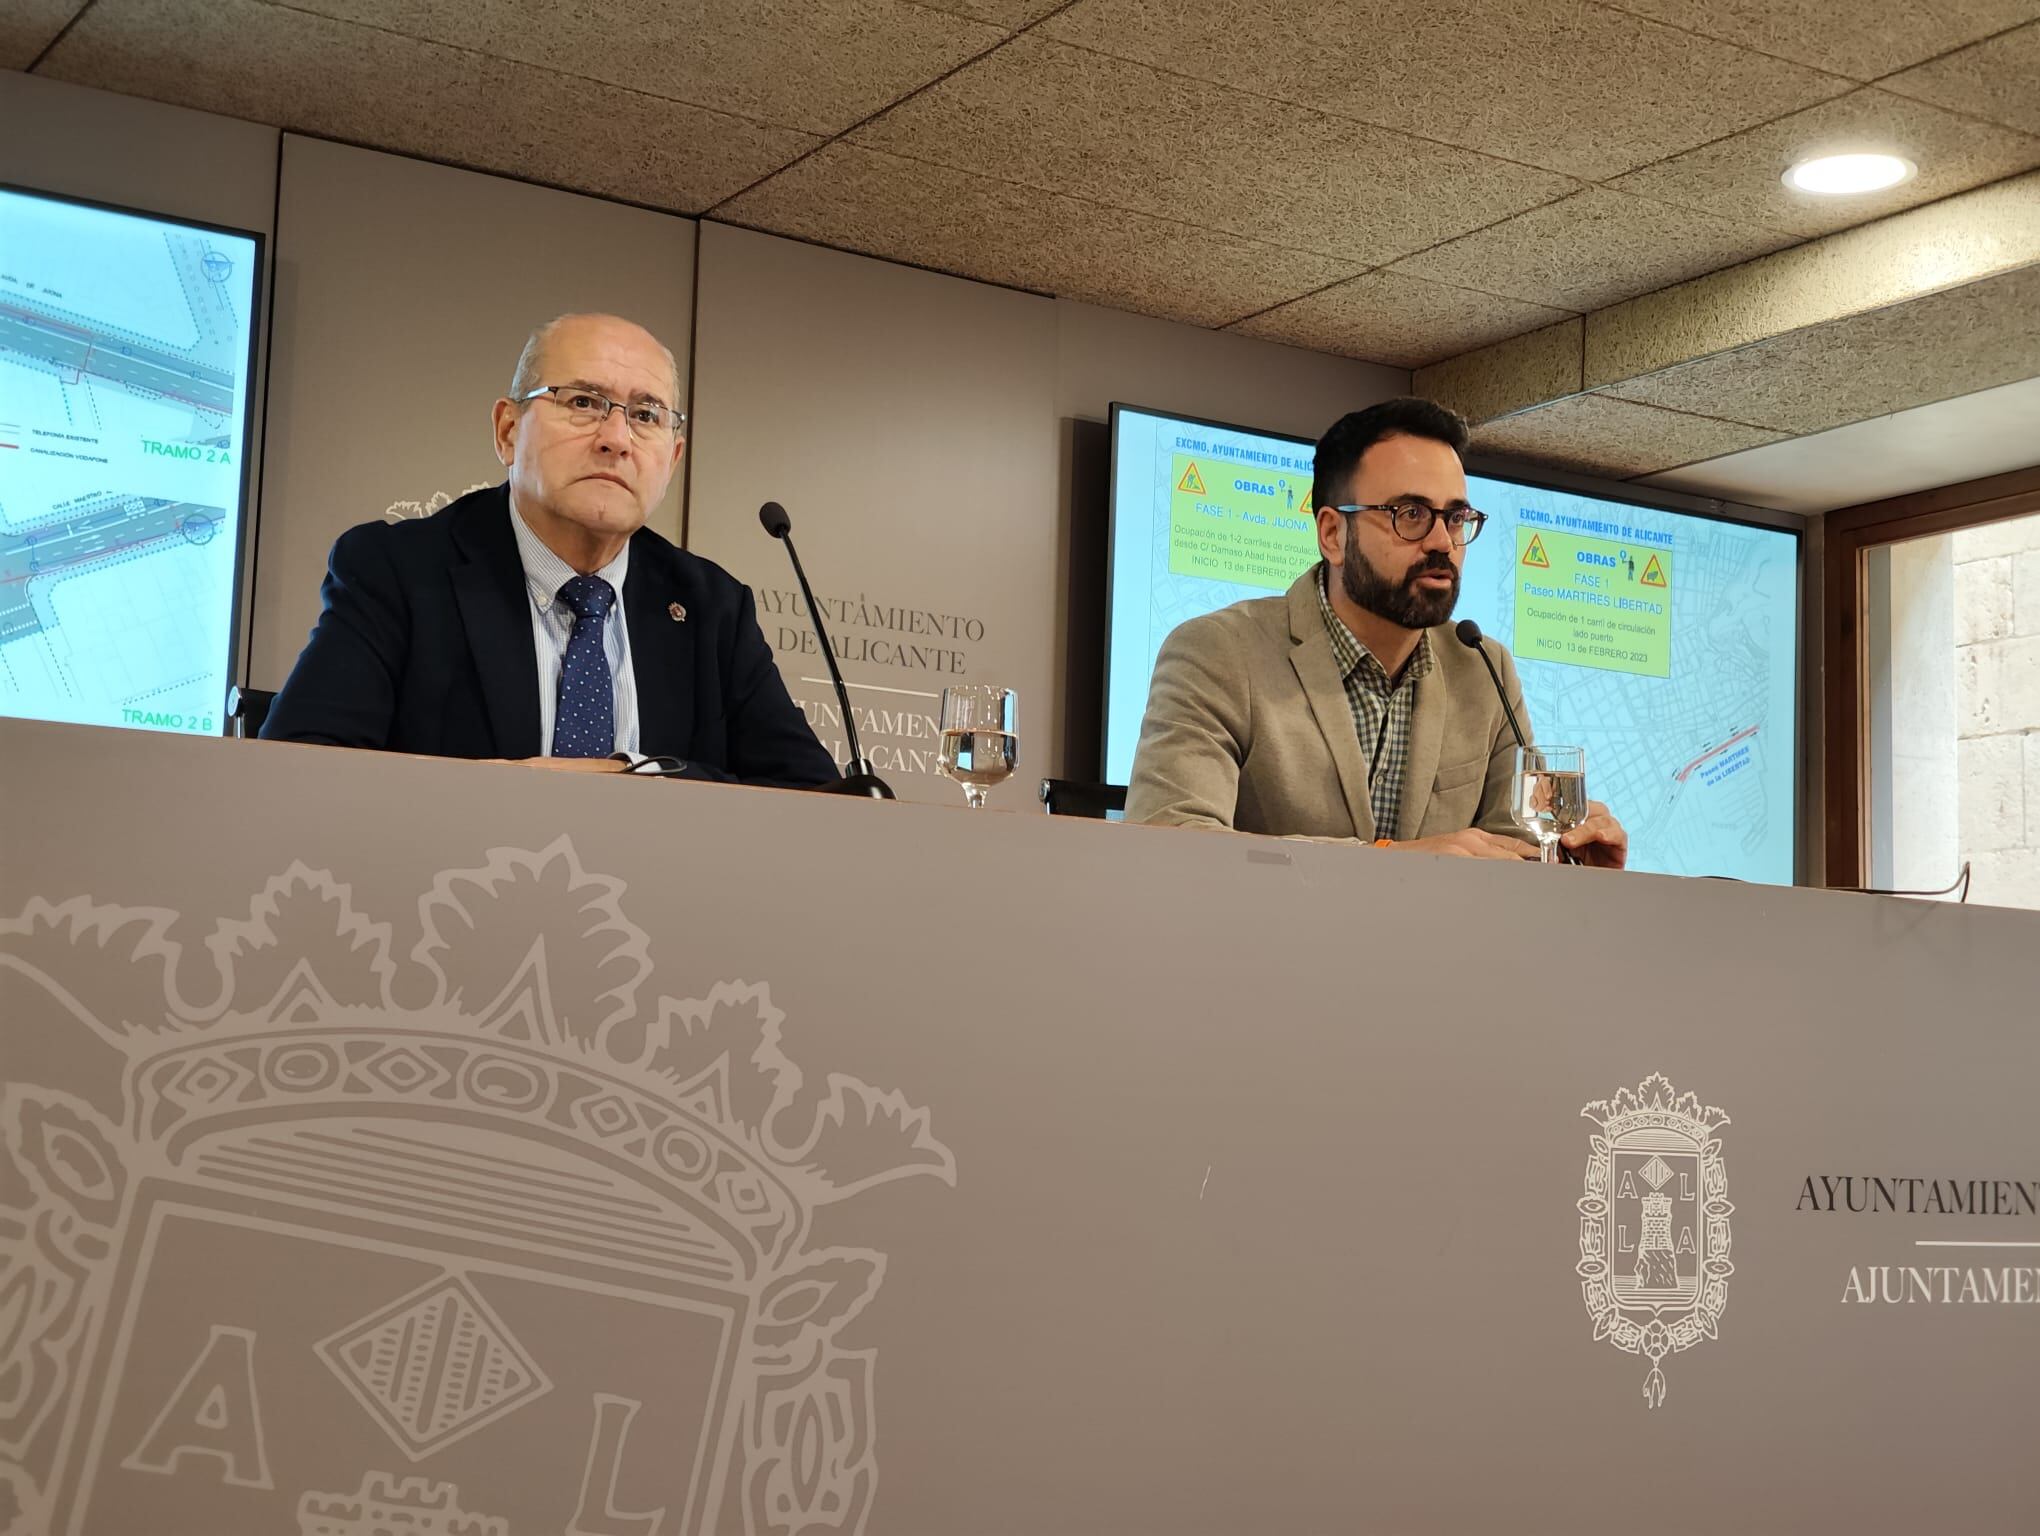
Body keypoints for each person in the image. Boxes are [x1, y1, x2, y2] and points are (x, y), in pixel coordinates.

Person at [262, 313, 838, 787]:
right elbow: (302, 767)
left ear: (673, 458)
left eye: (645, 416)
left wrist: (638, 776)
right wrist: (507, 793)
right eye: (584, 402)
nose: (616, 439)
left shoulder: (712, 607)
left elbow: (815, 800)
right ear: (508, 431)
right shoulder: (399, 572)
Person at [1125, 397, 1627, 864]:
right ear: (1332, 533)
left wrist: (1569, 871)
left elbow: (1508, 858)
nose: (1441, 542)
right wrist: (1390, 859)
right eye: (1410, 514)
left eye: (1455, 517)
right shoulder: (1219, 652)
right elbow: (1173, 841)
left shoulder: (1482, 667)